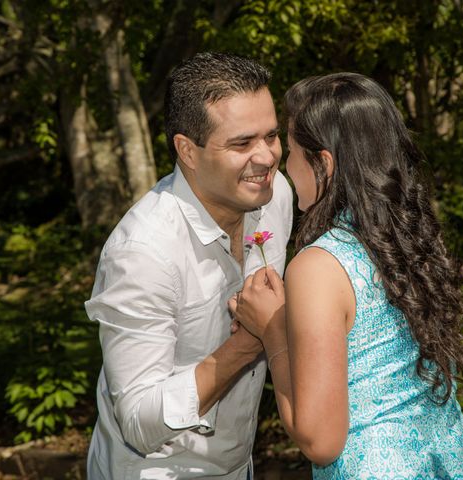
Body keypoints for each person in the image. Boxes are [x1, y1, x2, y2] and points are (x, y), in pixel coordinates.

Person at [230, 72, 463, 479]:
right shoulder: (405, 242)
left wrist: (272, 330)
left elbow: (321, 441)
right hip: (452, 461)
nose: (284, 166)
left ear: (323, 163)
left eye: (293, 153)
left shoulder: (320, 266)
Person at [84, 52, 293, 479]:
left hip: (240, 465)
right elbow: (139, 423)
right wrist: (250, 342)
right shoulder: (143, 253)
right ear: (188, 151)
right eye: (241, 143)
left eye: (272, 136)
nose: (267, 157)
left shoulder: (276, 198)